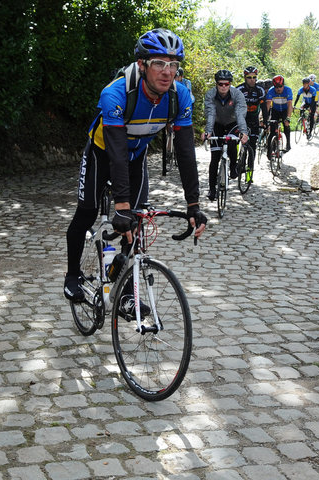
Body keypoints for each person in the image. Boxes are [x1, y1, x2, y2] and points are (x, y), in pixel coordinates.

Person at [64, 28, 207, 302]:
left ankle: (128, 292)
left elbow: (186, 153)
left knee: (136, 221)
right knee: (87, 212)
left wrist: (194, 205)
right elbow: (116, 152)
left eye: (174, 65)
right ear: (142, 65)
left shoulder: (180, 96)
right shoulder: (116, 93)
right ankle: (72, 275)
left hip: (136, 156)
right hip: (103, 153)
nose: (168, 72)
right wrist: (121, 206)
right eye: (159, 63)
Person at [202, 69, 249, 200]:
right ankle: (212, 189)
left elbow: (240, 115)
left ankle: (233, 166)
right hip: (216, 123)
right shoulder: (210, 94)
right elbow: (210, 114)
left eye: (226, 84)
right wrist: (208, 131)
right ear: (216, 84)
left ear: (230, 84)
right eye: (220, 84)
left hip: (232, 122)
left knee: (232, 142)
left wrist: (243, 132)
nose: (223, 87)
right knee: (215, 157)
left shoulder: (237, 94)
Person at [265, 74, 293, 157]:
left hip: (285, 110)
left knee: (286, 125)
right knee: (272, 132)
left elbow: (289, 105)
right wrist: (265, 118)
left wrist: (288, 118)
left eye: (280, 86)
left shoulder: (288, 90)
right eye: (276, 87)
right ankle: (269, 151)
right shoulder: (271, 91)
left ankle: (288, 144)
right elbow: (268, 106)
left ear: (283, 85)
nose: (278, 89)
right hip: (275, 110)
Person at [236, 66, 266, 143]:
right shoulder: (239, 89)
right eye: (249, 77)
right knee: (235, 141)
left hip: (254, 119)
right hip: (241, 119)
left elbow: (264, 107)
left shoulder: (260, 90)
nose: (252, 80)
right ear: (245, 78)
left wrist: (265, 121)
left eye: (254, 77)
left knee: (253, 143)